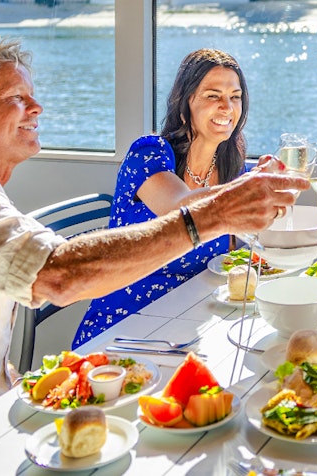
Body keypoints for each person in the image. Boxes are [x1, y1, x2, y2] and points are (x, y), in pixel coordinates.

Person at [0, 36, 307, 476]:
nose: (37, 107)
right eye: (17, 97)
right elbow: (59, 274)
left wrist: (27, 390)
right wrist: (207, 217)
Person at [74, 49, 249, 344]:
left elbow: (241, 251)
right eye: (212, 96)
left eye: (235, 97)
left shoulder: (233, 167)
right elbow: (178, 210)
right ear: (185, 103)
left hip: (194, 321)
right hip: (126, 324)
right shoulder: (149, 152)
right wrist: (249, 190)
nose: (227, 107)